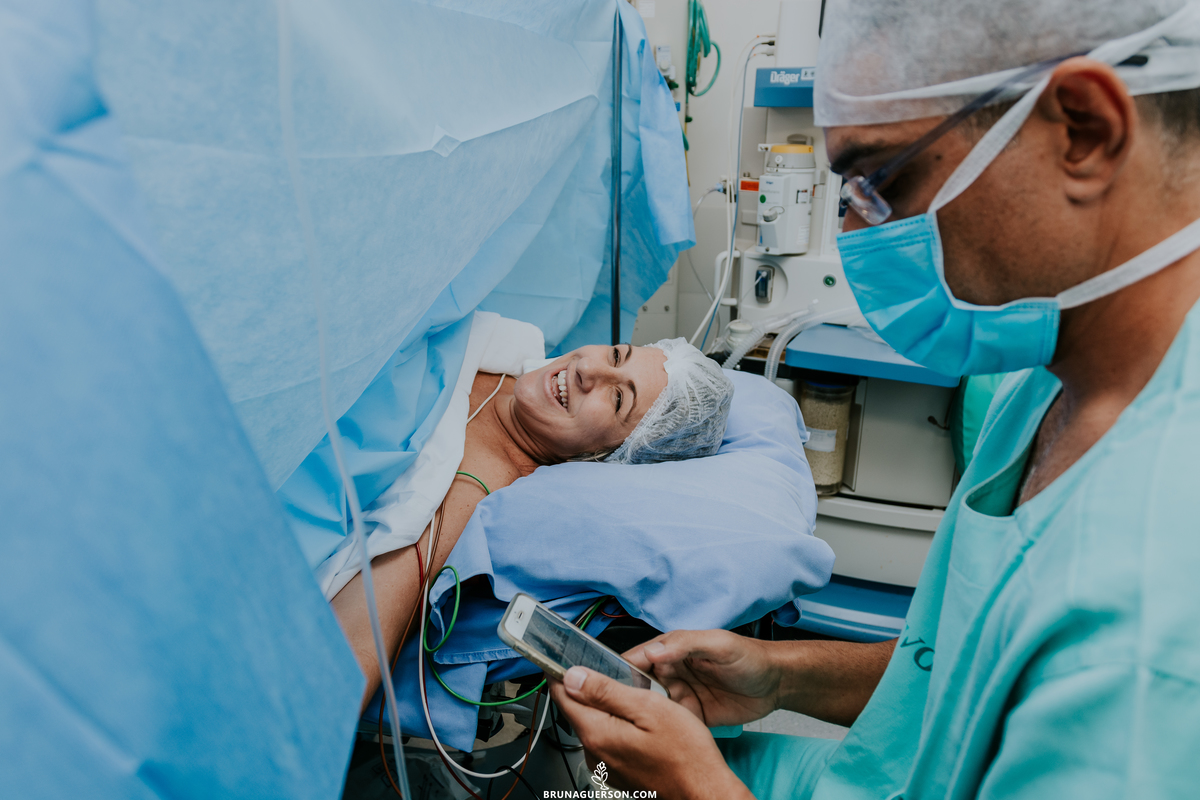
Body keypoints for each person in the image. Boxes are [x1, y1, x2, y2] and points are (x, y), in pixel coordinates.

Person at [548, 1, 1200, 797]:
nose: (856, 233)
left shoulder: (1153, 617)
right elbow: (970, 673)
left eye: (882, 178)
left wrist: (696, 787)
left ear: (1084, 130)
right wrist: (781, 676)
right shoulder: (1051, 367)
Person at [333, 336, 733, 709]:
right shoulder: (496, 345)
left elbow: (353, 656)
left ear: (608, 456)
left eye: (616, 398)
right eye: (615, 354)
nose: (588, 370)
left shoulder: (464, 490)